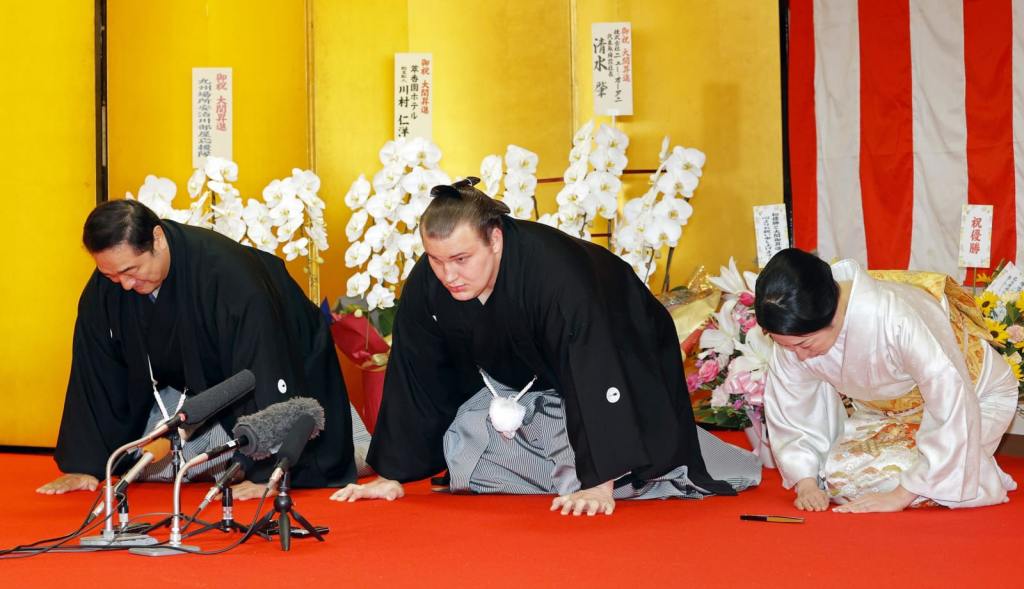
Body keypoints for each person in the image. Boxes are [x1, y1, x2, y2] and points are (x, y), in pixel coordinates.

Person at [331, 178, 761, 516]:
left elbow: (595, 367)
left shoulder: (559, 277)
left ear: (495, 238)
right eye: (436, 260)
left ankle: (633, 466)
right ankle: (571, 464)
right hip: (536, 382)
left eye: (461, 259)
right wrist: (392, 473)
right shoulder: (432, 279)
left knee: (633, 473)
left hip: (620, 347)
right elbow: (415, 371)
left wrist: (599, 484)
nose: (448, 275)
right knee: (468, 457)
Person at [37, 199, 356, 497]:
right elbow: (95, 371)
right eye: (110, 274)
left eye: (131, 271)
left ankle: (280, 462)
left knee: (291, 433)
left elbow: (264, 363)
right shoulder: (109, 286)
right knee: (150, 461)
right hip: (202, 388)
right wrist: (86, 464)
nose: (124, 284)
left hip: (287, 354)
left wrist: (266, 473)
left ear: (157, 239)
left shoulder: (229, 275)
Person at [756, 248, 1018, 513]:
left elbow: (951, 395)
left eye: (804, 344)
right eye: (787, 346)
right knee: (839, 478)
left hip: (974, 401)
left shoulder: (895, 317)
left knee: (897, 482)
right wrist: (807, 483)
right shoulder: (796, 332)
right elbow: (794, 406)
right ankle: (962, 468)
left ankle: (972, 469)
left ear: (832, 315)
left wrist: (899, 497)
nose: (799, 356)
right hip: (887, 416)